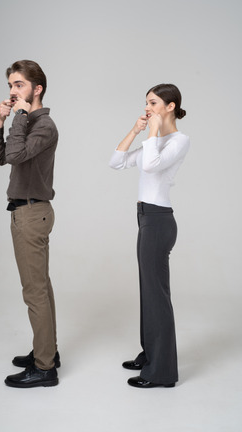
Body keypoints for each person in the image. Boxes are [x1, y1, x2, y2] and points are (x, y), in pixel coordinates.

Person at [109, 83, 190, 388]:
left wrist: (151, 134)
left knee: (158, 297)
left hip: (158, 221)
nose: (147, 108)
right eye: (146, 103)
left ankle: (163, 372)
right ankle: (150, 354)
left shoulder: (179, 140)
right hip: (145, 218)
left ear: (170, 106)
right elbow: (116, 162)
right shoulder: (151, 141)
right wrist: (136, 130)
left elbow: (152, 166)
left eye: (153, 103)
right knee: (149, 292)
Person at [0, 60, 60, 388]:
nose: (13, 91)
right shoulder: (25, 121)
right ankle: (46, 352)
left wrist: (19, 116)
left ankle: (45, 368)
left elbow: (16, 156)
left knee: (35, 292)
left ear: (37, 88)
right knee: (40, 289)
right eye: (10, 86)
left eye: (19, 85)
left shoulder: (43, 126)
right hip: (25, 212)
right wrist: (0, 121)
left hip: (32, 214)